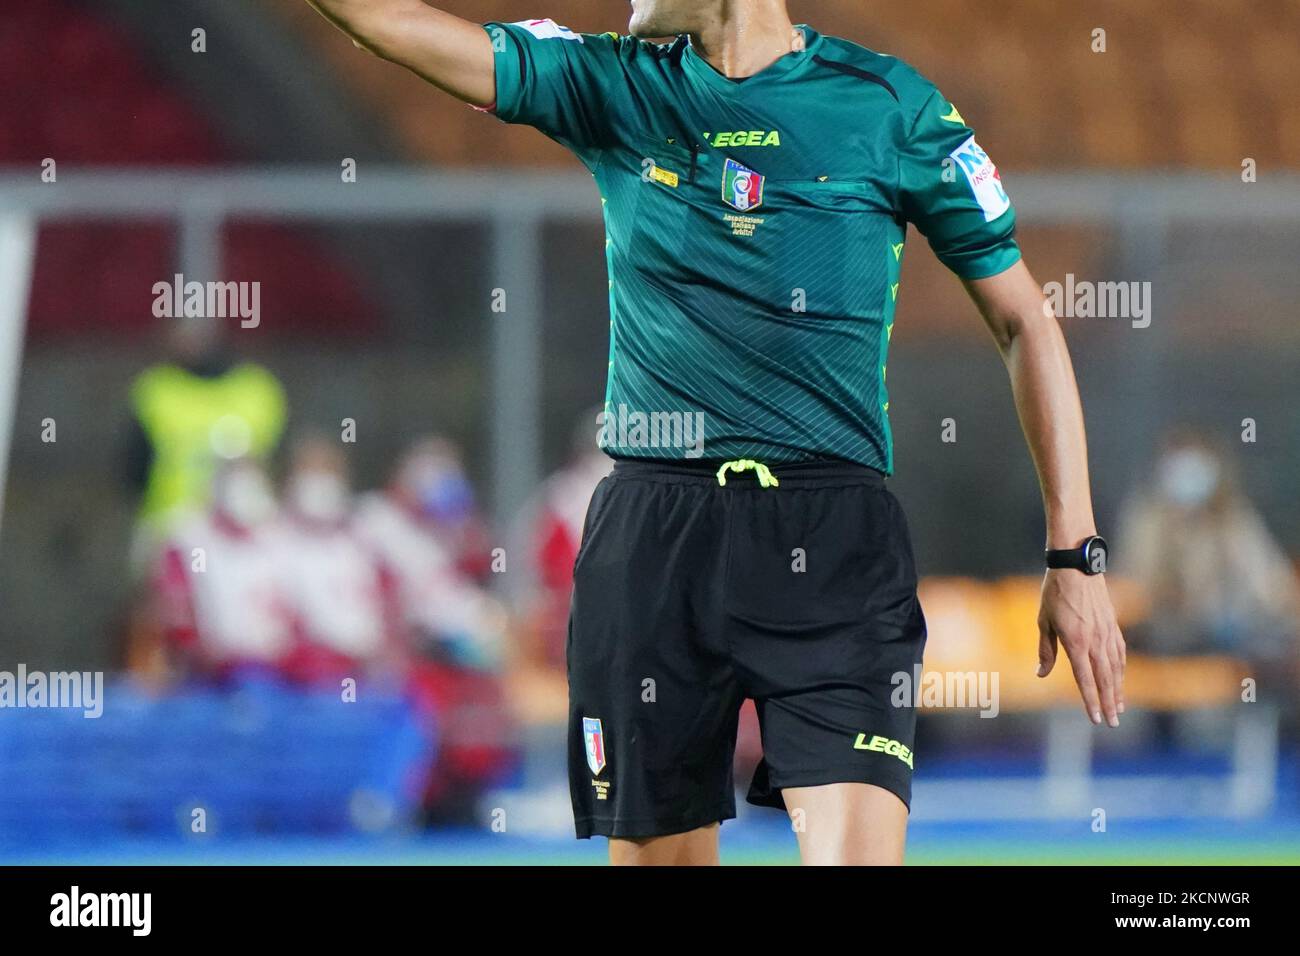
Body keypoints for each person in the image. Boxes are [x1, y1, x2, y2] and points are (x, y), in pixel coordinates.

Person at [304, 0, 1127, 866]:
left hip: (831, 541)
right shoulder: (612, 83)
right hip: (655, 539)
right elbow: (385, 21)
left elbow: (1025, 322)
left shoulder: (889, 107)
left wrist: (1074, 553)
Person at [1118, 432, 1299, 671]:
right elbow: (1129, 586)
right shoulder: (1148, 520)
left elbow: (1271, 586)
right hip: (1156, 643)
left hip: (1222, 648)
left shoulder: (1233, 522)